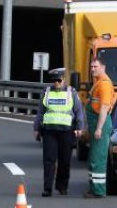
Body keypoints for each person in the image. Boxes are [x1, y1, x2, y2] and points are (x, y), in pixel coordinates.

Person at [33, 68, 85, 197]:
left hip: (66, 131)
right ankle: (47, 188)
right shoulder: (47, 91)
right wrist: (36, 128)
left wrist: (79, 127)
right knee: (49, 160)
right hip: (49, 131)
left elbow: (79, 111)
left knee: (65, 160)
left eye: (59, 80)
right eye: (54, 80)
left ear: (64, 80)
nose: (56, 83)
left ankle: (62, 186)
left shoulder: (71, 92)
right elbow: (41, 111)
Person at [83, 57, 114, 198]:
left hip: (100, 123)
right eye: (91, 66)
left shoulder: (105, 85)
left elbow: (104, 107)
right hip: (95, 123)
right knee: (92, 158)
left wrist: (99, 129)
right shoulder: (98, 83)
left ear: (103, 67)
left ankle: (99, 191)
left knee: (98, 159)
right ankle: (93, 188)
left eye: (95, 66)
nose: (92, 69)